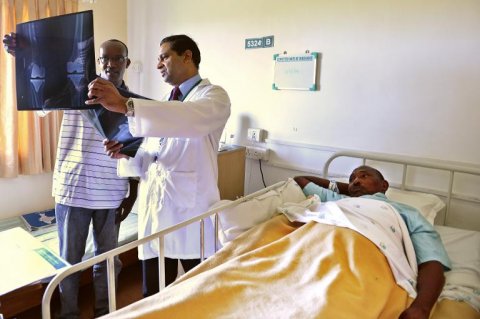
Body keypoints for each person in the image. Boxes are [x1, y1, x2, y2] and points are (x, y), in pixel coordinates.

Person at [3, 34, 138, 318]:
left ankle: (106, 312)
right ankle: (68, 315)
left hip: (111, 193)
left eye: (117, 58)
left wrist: (132, 192)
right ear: (98, 61)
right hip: (72, 190)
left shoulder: (133, 104)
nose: (110, 64)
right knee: (69, 263)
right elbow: (40, 98)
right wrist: (26, 58)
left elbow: (140, 148)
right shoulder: (76, 89)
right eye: (105, 58)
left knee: (108, 261)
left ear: (127, 62)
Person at [85, 34, 231, 296]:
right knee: (151, 293)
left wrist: (126, 105)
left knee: (202, 292)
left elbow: (190, 119)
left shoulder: (214, 96)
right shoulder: (164, 102)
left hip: (189, 214)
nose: (158, 64)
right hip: (156, 213)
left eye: (164, 57)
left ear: (187, 56)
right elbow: (153, 154)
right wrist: (127, 155)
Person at [294, 166, 451, 319]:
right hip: (316, 243)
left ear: (384, 185)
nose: (356, 181)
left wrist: (421, 307)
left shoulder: (406, 212)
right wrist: (350, 189)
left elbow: (431, 260)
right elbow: (300, 179)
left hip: (362, 254)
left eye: (364, 176)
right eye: (352, 178)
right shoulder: (339, 200)